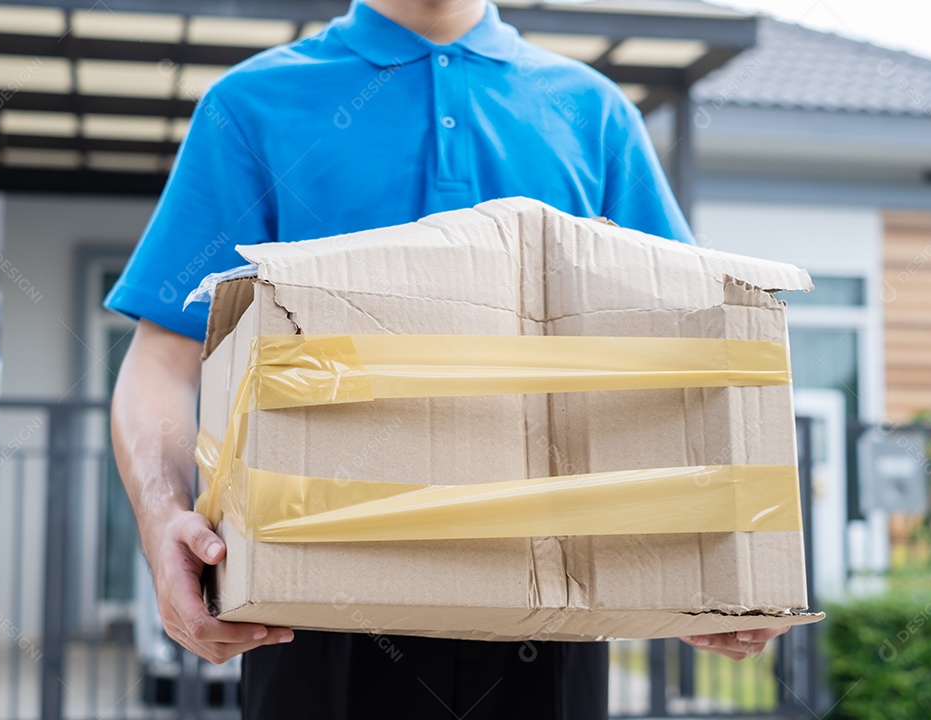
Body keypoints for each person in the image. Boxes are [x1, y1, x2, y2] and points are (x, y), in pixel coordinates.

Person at [105, 1, 789, 718]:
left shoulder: (593, 113)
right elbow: (163, 359)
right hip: (310, 612)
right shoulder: (251, 106)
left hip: (555, 611)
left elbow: (691, 352)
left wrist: (736, 549)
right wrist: (163, 525)